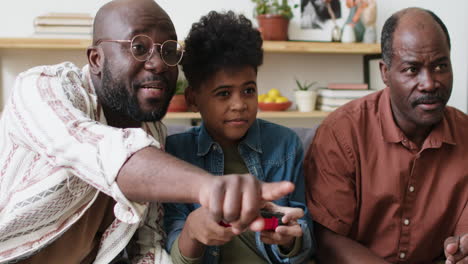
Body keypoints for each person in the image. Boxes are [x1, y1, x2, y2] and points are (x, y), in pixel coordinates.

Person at [0, 0, 294, 263]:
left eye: (168, 50)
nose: (157, 64)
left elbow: (148, 244)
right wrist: (211, 187)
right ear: (96, 59)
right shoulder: (41, 88)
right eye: (138, 48)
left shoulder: (152, 130)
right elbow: (100, 149)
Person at [304, 7, 467, 264]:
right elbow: (326, 239)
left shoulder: (465, 135)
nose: (429, 82)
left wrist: (460, 248)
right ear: (384, 72)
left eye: (440, 66)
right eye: (412, 69)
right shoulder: (342, 133)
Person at [163, 11, 315, 264]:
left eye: (248, 90)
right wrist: (192, 230)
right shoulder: (175, 153)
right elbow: (174, 255)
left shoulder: (285, 145)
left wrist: (290, 240)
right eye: (223, 94)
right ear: (192, 99)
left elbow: (303, 237)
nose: (240, 105)